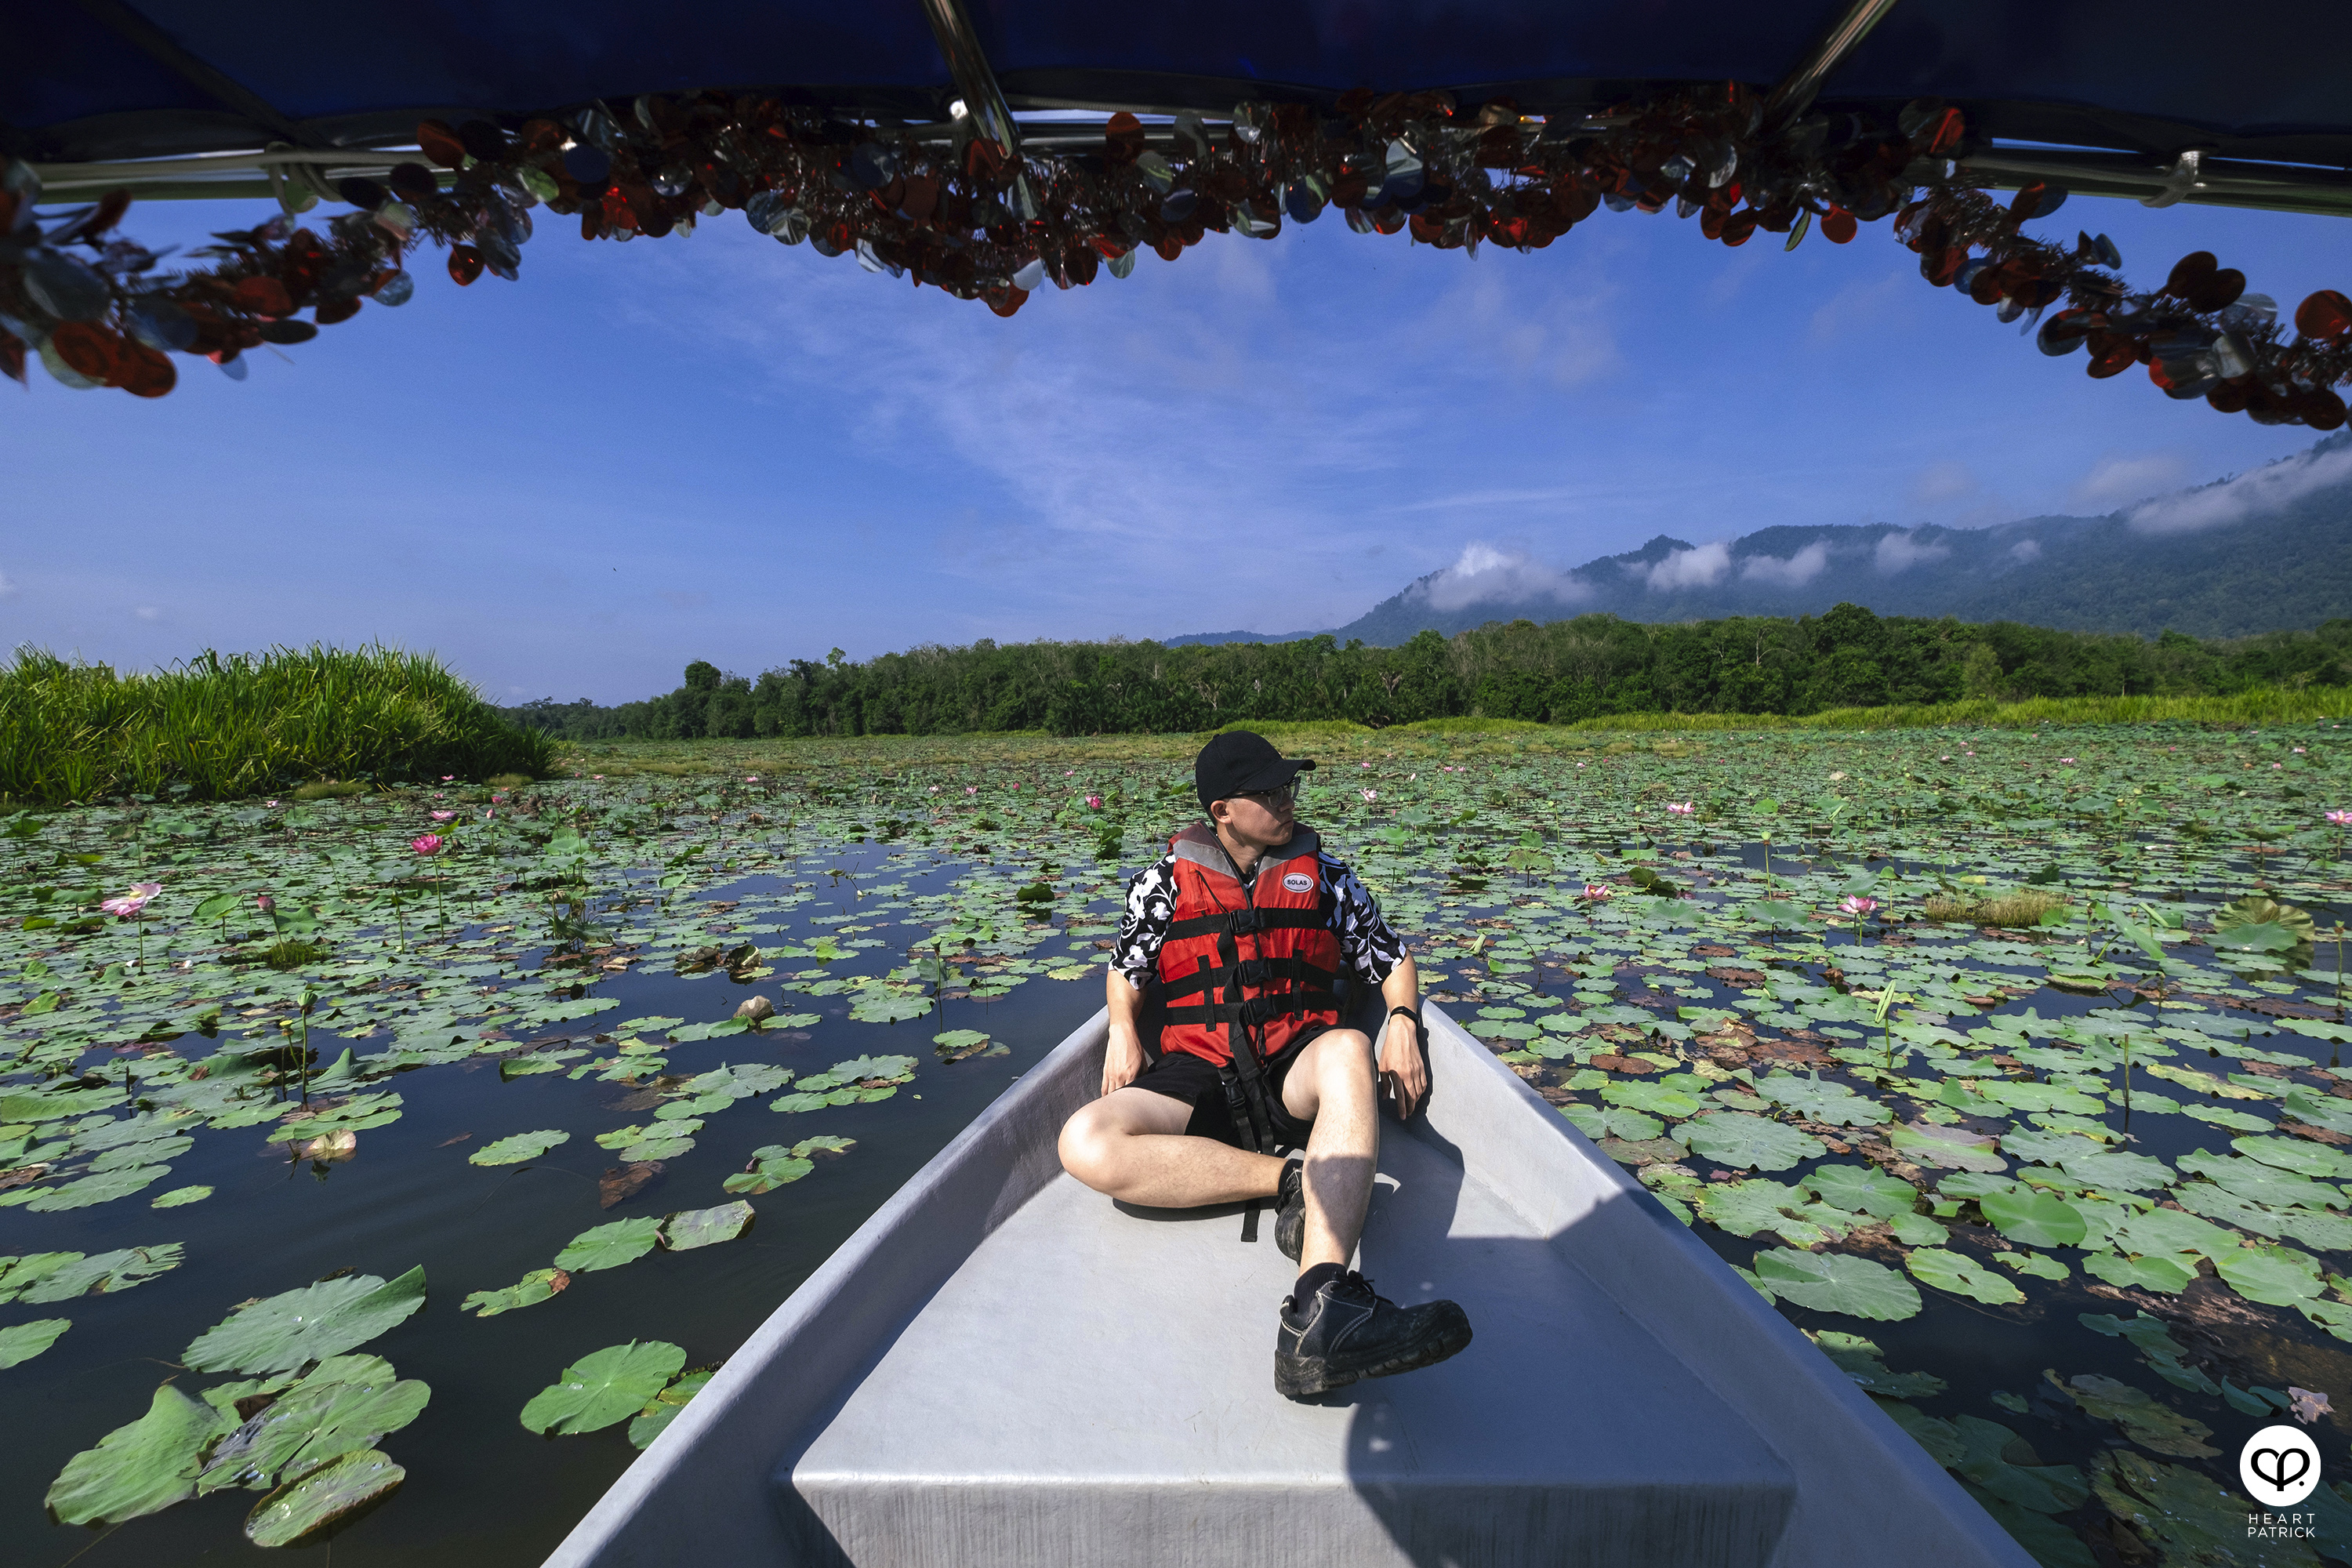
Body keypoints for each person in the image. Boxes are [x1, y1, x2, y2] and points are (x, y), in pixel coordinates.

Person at [1057, 730, 1472, 1400]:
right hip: (1197, 1074)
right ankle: (1288, 1180)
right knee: (1083, 1141)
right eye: (1270, 791)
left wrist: (1400, 1019)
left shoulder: (1328, 878)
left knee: (1347, 1047)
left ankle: (1321, 1306)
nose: (1287, 800)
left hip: (1290, 1068)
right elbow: (1126, 968)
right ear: (1222, 810)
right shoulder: (1162, 883)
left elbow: (1392, 960)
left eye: (1290, 787)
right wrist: (1123, 1028)